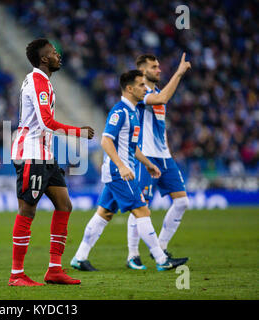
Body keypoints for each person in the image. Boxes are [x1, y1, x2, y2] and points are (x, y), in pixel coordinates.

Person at [70, 70, 188, 272]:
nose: (146, 88)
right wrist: (122, 166)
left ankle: (79, 257)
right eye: (142, 85)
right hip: (119, 172)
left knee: (104, 213)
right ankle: (161, 260)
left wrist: (148, 164)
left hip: (123, 170)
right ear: (130, 88)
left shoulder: (133, 112)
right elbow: (106, 140)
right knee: (142, 210)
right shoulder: (120, 112)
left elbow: (132, 146)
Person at [8, 38, 95, 287]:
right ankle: (17, 274)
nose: (58, 55)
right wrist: (77, 132)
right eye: (54, 53)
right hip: (31, 154)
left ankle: (54, 270)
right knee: (28, 210)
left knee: (64, 205)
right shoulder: (37, 82)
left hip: (45, 155)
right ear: (44, 59)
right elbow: (46, 122)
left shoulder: (42, 81)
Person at [125, 53, 191, 269]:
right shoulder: (141, 94)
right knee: (141, 205)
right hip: (146, 156)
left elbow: (160, 117)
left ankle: (160, 248)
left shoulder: (158, 91)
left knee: (182, 202)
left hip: (164, 156)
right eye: (154, 67)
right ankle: (133, 255)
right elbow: (161, 100)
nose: (159, 70)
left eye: (159, 66)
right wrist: (179, 74)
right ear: (143, 72)